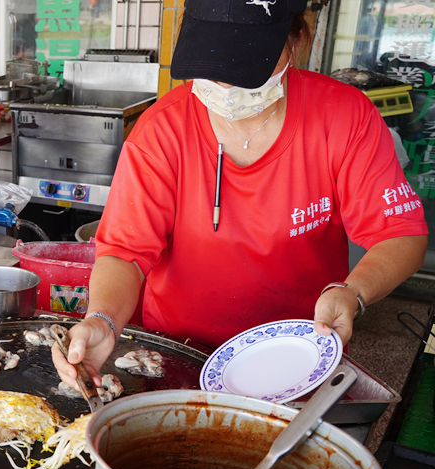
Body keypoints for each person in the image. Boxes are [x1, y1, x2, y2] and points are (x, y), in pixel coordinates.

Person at [54, 0, 428, 391]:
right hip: (178, 354)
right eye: (211, 64)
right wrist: (103, 319)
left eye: (245, 64)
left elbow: (400, 234)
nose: (225, 84)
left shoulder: (343, 116)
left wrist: (353, 292)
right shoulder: (162, 131)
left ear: (295, 41)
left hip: (299, 355)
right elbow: (125, 254)